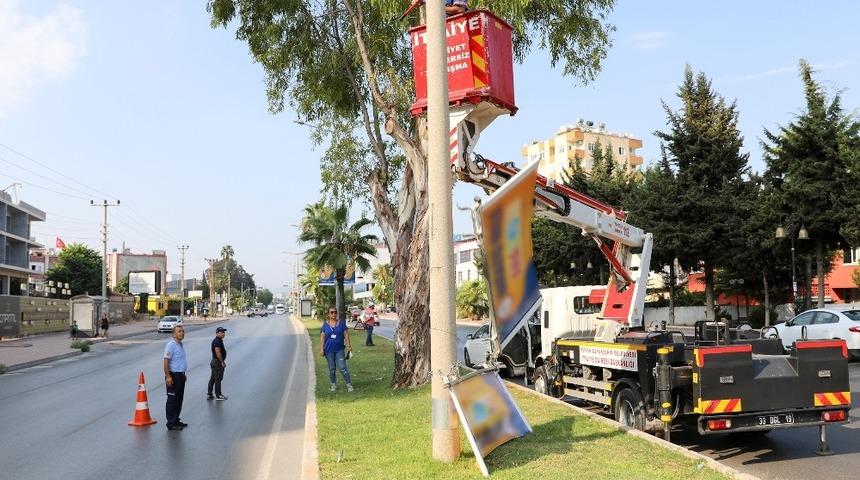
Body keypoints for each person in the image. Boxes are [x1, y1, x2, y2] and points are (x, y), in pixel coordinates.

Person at [320, 306, 354, 393]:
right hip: (328, 351)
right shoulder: (325, 325)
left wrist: (348, 345)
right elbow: (322, 337)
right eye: (331, 312)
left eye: (335, 312)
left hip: (339, 350)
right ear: (328, 314)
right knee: (332, 368)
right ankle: (333, 385)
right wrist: (321, 349)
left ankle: (349, 385)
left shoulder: (341, 323)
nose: (334, 314)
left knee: (342, 367)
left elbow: (346, 335)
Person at [163, 325, 188, 431]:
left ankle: (176, 419)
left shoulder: (180, 344)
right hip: (173, 376)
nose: (182, 333)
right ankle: (171, 423)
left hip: (180, 376)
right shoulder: (171, 345)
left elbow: (180, 361)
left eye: (182, 331)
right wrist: (168, 376)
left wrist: (183, 374)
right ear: (173, 334)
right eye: (179, 331)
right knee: (172, 400)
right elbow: (166, 362)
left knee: (179, 399)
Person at [207, 327, 228, 401]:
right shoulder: (217, 341)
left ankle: (209, 394)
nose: (223, 334)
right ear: (217, 333)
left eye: (223, 332)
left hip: (214, 361)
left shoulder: (218, 340)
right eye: (221, 332)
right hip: (217, 362)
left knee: (213, 378)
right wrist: (222, 362)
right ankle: (218, 395)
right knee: (218, 379)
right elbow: (217, 352)